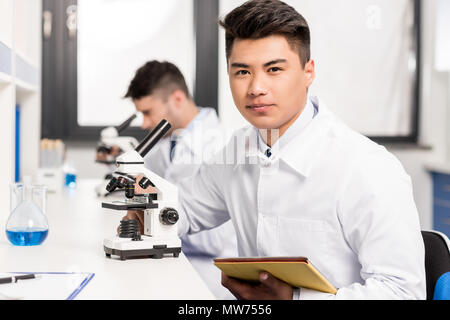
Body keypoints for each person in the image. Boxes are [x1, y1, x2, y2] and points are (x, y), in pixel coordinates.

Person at [132, 0, 425, 300]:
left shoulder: (367, 167)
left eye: (274, 69)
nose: (256, 87)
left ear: (308, 71)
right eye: (242, 72)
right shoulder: (239, 148)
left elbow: (403, 292)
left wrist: (295, 299)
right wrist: (146, 208)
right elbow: (188, 210)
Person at [121, 60, 238, 299]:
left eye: (147, 112)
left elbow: (214, 239)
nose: (144, 123)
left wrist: (152, 221)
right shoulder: (170, 143)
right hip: (174, 264)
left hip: (208, 278)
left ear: (176, 99)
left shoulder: (218, 146)